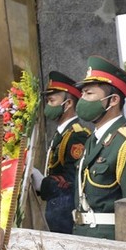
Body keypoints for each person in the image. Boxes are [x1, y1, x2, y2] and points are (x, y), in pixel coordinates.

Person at [73, 56, 126, 240]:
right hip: (83, 236)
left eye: (89, 94)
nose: (82, 100)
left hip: (112, 241)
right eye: (82, 94)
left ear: (112, 100)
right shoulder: (92, 140)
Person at [31, 71, 90, 234]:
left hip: (67, 215)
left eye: (51, 100)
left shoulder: (77, 135)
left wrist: (42, 183)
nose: (48, 105)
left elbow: (72, 180)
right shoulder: (62, 133)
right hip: (57, 212)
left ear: (68, 103)